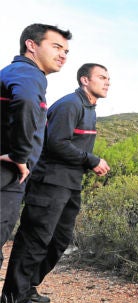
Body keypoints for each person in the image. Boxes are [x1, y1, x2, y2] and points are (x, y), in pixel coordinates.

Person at [1, 63, 110, 303]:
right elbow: (55, 143)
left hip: (70, 184)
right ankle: (14, 302)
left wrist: (85, 163)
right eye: (102, 77)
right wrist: (91, 159)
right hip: (50, 182)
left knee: (59, 241)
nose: (107, 82)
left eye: (108, 78)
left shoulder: (89, 108)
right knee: (34, 240)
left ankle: (27, 288)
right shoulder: (70, 104)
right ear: (85, 80)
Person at [1, 23, 72, 267]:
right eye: (56, 47)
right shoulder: (27, 73)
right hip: (6, 173)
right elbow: (26, 102)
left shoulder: (17, 73)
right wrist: (20, 156)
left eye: (66, 51)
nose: (63, 54)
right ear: (31, 45)